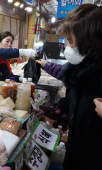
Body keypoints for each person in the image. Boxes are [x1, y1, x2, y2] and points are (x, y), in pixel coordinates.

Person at [34, 4, 102, 170]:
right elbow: (77, 100)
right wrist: (58, 109)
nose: (67, 47)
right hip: (76, 154)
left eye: (71, 41)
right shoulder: (80, 72)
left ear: (91, 43)